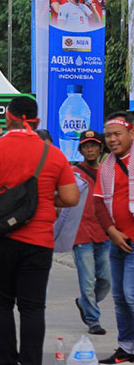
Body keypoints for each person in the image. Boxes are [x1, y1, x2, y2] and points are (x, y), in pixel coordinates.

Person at [0, 96, 79, 365]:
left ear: (8, 117)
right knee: (32, 308)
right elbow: (70, 198)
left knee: (0, 305)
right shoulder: (52, 153)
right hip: (39, 241)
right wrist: (42, 201)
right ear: (35, 119)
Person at [96, 111, 134, 365]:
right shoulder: (107, 165)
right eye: (108, 135)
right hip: (116, 241)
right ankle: (127, 349)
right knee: (119, 297)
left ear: (132, 133)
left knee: (131, 296)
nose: (112, 139)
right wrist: (111, 230)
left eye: (117, 134)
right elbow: (99, 203)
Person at [66, 131, 112, 336]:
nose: (90, 149)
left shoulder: (107, 171)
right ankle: (93, 320)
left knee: (106, 279)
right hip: (82, 233)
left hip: (104, 232)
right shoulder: (73, 172)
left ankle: (83, 303)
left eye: (94, 145)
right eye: (86, 146)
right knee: (87, 280)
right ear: (81, 150)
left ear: (101, 148)